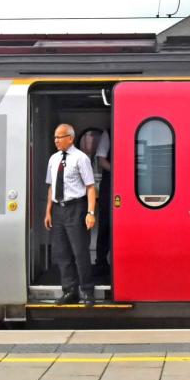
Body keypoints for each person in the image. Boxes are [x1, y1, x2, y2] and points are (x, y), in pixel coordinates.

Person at [44, 123, 97, 305]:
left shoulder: (81, 158)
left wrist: (90, 212)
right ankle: (70, 290)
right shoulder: (53, 159)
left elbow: (90, 187)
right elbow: (51, 186)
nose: (56, 141)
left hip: (77, 208)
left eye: (60, 137)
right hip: (58, 209)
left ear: (71, 138)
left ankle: (88, 291)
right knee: (62, 253)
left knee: (80, 251)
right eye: (55, 137)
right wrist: (48, 211)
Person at [93, 129, 111, 275]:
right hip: (109, 186)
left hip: (128, 186)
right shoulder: (108, 133)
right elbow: (101, 159)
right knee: (105, 224)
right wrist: (119, 171)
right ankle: (101, 261)